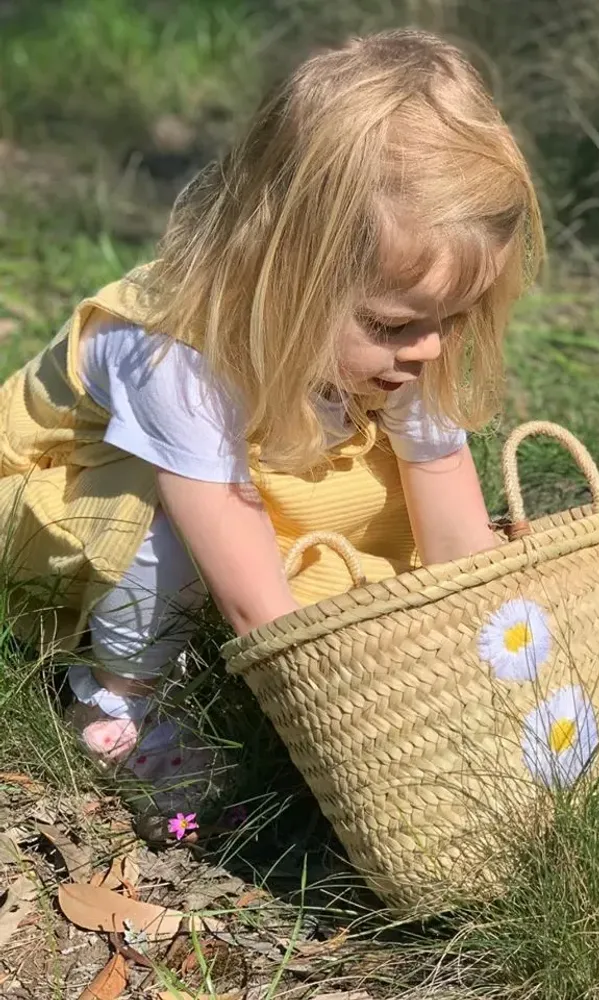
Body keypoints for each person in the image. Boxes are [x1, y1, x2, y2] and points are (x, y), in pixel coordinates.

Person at [0, 28, 544, 822]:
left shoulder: (408, 332)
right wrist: (349, 738)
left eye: (452, 319)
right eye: (393, 326)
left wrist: (482, 654)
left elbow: (451, 527)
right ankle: (119, 702)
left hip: (237, 496)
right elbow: (259, 607)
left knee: (371, 494)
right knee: (169, 532)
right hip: (82, 513)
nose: (427, 347)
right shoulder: (168, 355)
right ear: (285, 273)